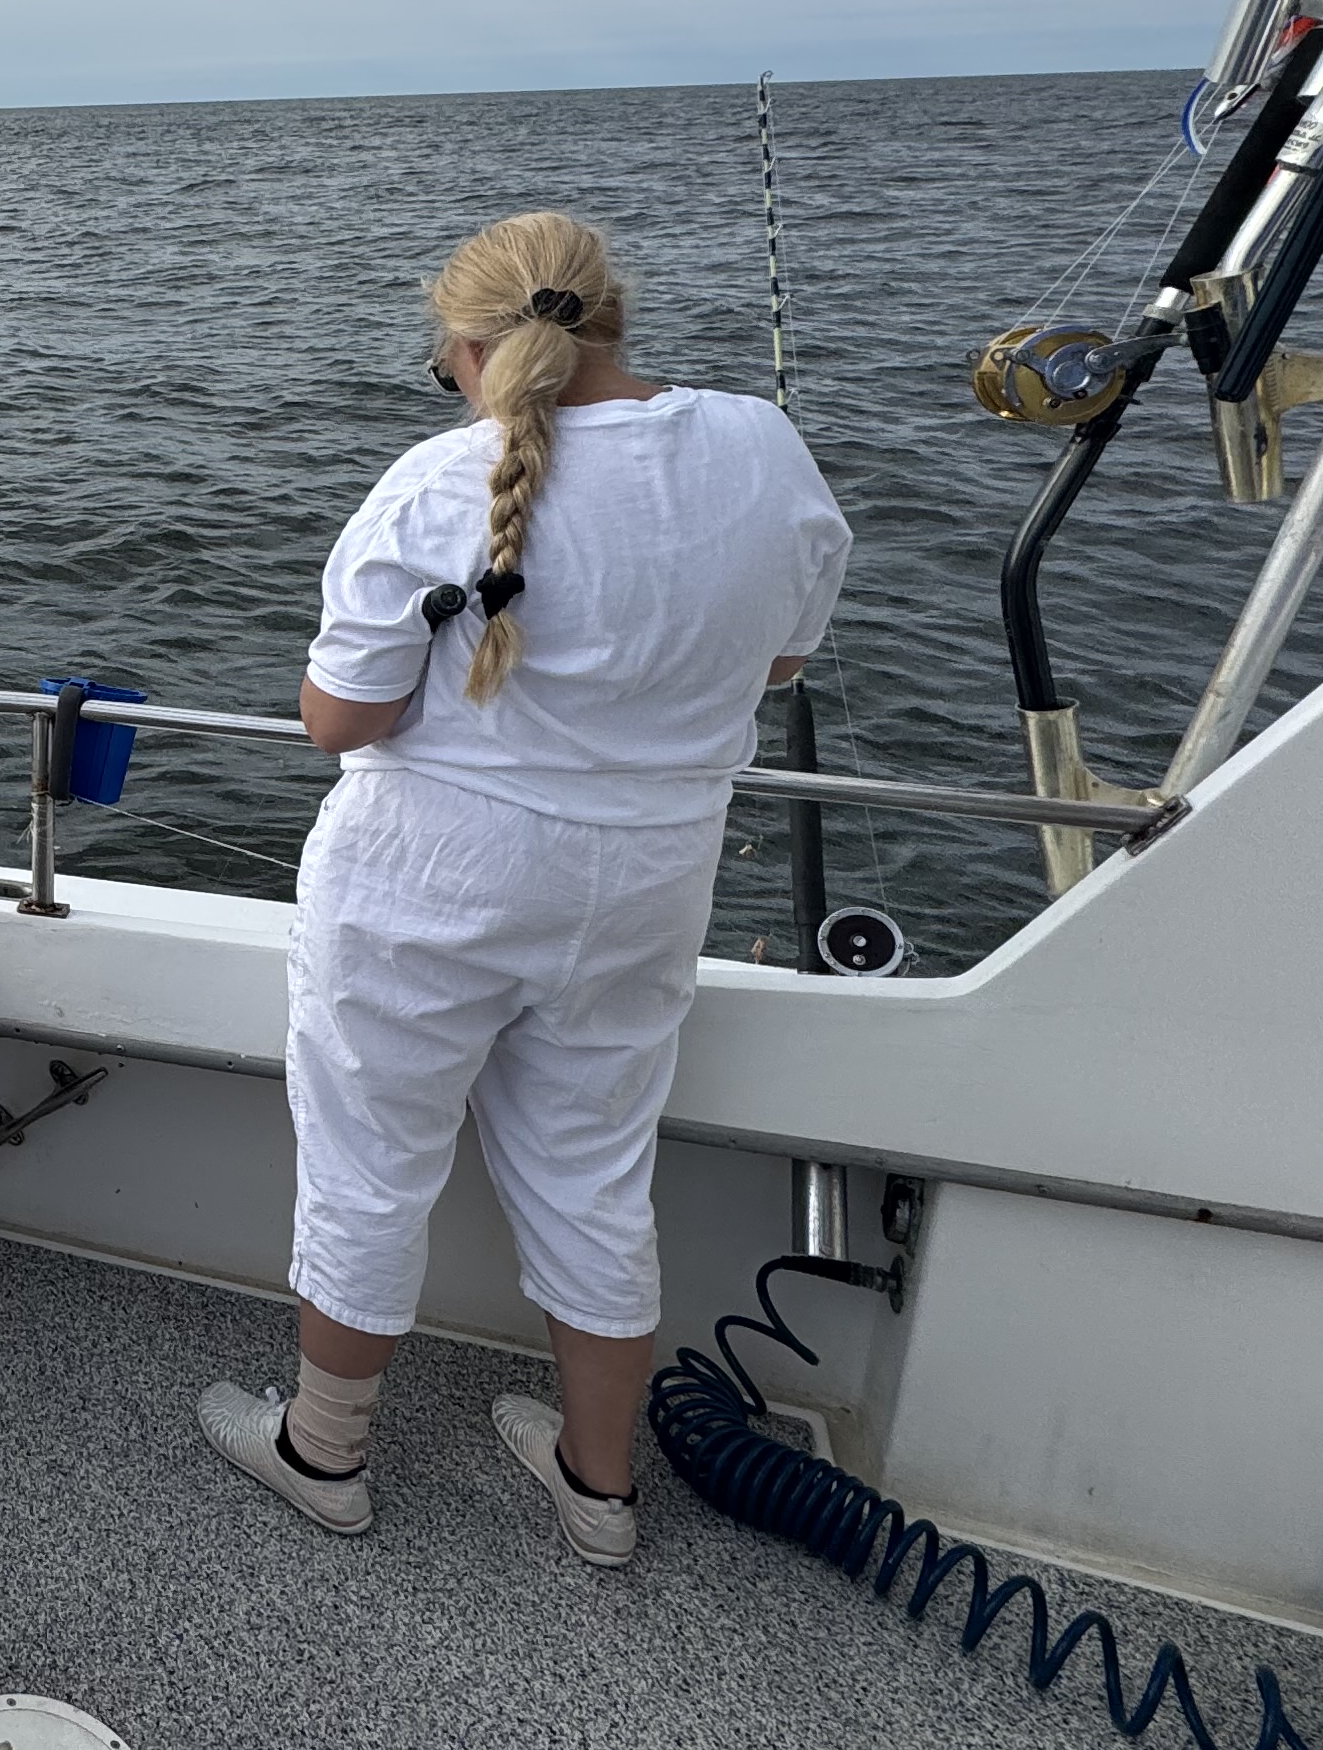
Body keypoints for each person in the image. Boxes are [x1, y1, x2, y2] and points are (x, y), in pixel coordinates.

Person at [199, 210, 848, 1562]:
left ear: (471, 347)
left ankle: (325, 1452)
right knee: (596, 1175)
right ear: (615, 315)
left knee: (373, 1167)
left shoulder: (441, 484)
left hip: (427, 886)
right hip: (649, 882)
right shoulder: (759, 446)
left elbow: (340, 718)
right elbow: (780, 663)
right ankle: (597, 1489)